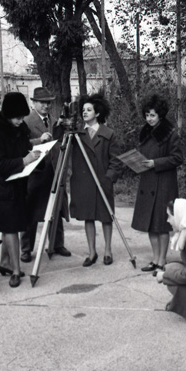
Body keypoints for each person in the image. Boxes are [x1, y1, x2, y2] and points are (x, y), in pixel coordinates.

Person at [0, 91, 41, 288]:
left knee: (9, 225)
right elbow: (0, 165)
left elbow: (24, 149)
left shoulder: (19, 129)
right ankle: (16, 271)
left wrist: (35, 153)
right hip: (0, 187)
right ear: (8, 115)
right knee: (10, 227)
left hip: (16, 183)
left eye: (22, 117)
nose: (20, 121)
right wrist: (24, 160)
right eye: (17, 117)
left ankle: (5, 263)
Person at [69, 93, 123, 267]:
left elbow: (116, 160)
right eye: (83, 110)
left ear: (97, 113)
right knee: (88, 217)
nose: (84, 112)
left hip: (102, 182)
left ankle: (107, 250)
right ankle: (91, 252)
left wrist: (109, 178)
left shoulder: (108, 134)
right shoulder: (77, 134)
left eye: (89, 110)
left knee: (106, 216)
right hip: (84, 183)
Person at [132, 94, 184, 273]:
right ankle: (155, 259)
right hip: (147, 182)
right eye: (147, 115)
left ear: (160, 115)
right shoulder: (145, 132)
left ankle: (162, 261)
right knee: (150, 226)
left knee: (162, 226)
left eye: (152, 115)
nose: (149, 119)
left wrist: (155, 163)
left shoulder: (170, 133)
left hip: (164, 185)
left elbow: (177, 158)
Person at [20, 87, 70, 263]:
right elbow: (20, 145)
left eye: (48, 102)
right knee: (30, 211)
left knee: (56, 208)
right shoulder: (26, 122)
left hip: (53, 171)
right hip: (34, 173)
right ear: (34, 103)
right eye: (42, 102)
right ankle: (26, 249)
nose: (46, 106)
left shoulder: (55, 121)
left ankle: (57, 244)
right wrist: (38, 140)